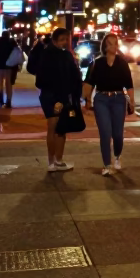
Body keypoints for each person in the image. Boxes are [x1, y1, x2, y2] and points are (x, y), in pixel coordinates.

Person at [83, 33, 135, 177]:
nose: (114, 46)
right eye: (110, 43)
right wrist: (86, 100)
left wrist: (132, 101)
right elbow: (89, 82)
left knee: (117, 134)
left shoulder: (122, 63)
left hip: (119, 99)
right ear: (105, 46)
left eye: (115, 43)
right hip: (101, 100)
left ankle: (117, 155)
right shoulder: (97, 63)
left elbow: (129, 85)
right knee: (105, 133)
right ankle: (106, 164)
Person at [35, 27, 83, 172]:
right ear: (55, 41)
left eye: (67, 39)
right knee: (58, 127)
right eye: (62, 40)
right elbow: (73, 77)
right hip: (56, 96)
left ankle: (54, 162)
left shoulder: (53, 54)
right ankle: (56, 161)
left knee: (57, 127)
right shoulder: (61, 56)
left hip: (52, 95)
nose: (65, 42)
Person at [0, 31, 19, 108]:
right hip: (9, 66)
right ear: (8, 35)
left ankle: (1, 101)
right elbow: (17, 53)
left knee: (0, 83)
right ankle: (8, 101)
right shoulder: (11, 43)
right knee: (8, 83)